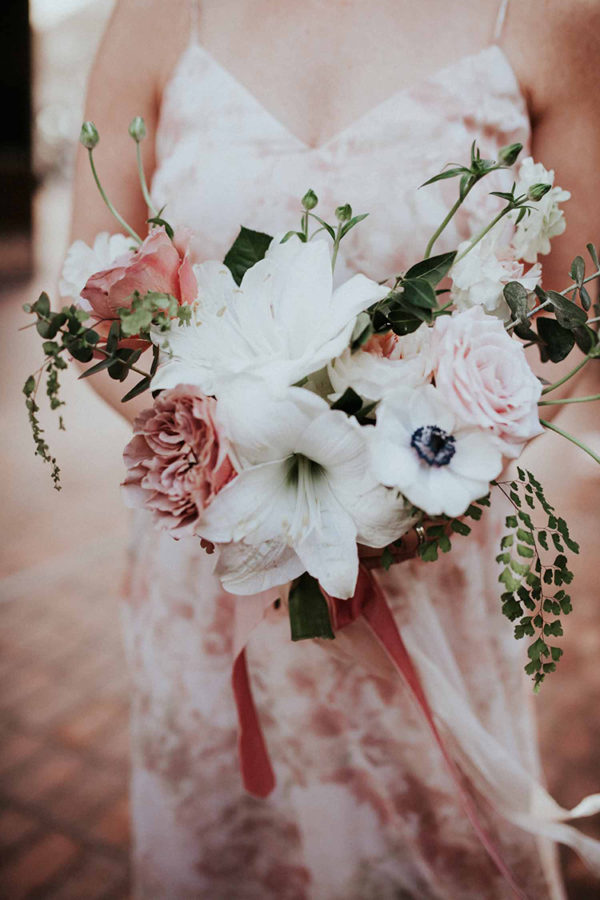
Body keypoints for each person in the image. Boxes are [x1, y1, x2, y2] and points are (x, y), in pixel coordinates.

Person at [68, 0, 600, 896]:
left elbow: (578, 314)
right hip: (210, 579)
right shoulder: (156, 16)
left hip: (424, 570)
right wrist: (237, 455)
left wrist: (397, 474)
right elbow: (89, 308)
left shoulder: (553, 17)